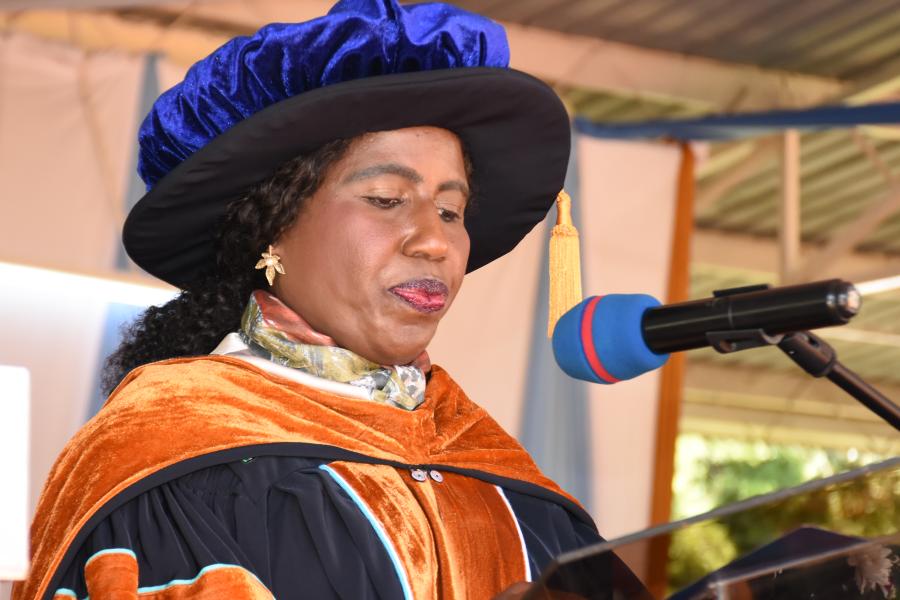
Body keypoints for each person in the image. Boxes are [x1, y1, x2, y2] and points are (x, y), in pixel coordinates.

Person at [14, 1, 615, 598]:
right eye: (386, 198)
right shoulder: (165, 451)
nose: (436, 241)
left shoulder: (489, 461)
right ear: (272, 227)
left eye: (452, 210)